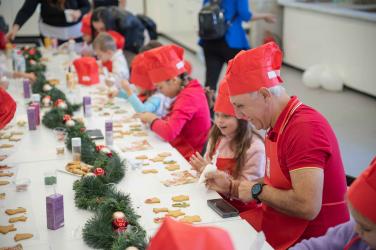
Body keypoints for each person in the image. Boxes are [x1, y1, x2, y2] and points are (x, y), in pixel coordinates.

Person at [205, 42, 349, 249]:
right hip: (282, 223)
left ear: (265, 95)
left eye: (240, 106)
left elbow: (307, 205)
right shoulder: (277, 123)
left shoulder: (304, 129)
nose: (239, 115)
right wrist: (232, 187)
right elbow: (280, 182)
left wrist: (256, 190)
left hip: (311, 238)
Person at [190, 78, 265, 212]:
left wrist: (212, 173)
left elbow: (248, 190)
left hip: (240, 210)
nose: (219, 121)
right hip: (214, 200)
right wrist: (203, 170)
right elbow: (207, 164)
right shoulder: (217, 136)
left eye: (226, 116)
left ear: (242, 118)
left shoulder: (255, 147)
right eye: (217, 115)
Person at [135, 45, 211, 160]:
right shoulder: (188, 89)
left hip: (189, 155)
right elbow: (173, 118)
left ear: (174, 80)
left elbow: (169, 132)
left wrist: (152, 119)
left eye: (160, 88)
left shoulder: (189, 97)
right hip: (181, 146)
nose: (161, 92)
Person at [291, 157, 376, 250]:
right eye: (356, 220)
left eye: (366, 228)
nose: (356, 229)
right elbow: (313, 246)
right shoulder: (353, 230)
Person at [200, 0, 276, 92]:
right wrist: (265, 16)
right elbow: (245, 15)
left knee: (210, 83)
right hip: (232, 42)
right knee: (240, 81)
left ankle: (207, 105)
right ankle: (238, 105)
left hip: (209, 41)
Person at [7, 0, 90, 45]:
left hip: (74, 32)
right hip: (49, 33)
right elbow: (26, 10)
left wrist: (79, 12)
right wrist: (15, 29)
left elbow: (87, 6)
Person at [116, 53, 172, 117]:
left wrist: (129, 91)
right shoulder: (144, 91)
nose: (135, 86)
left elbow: (143, 111)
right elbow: (131, 97)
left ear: (146, 85)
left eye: (137, 84)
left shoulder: (158, 98)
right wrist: (117, 93)